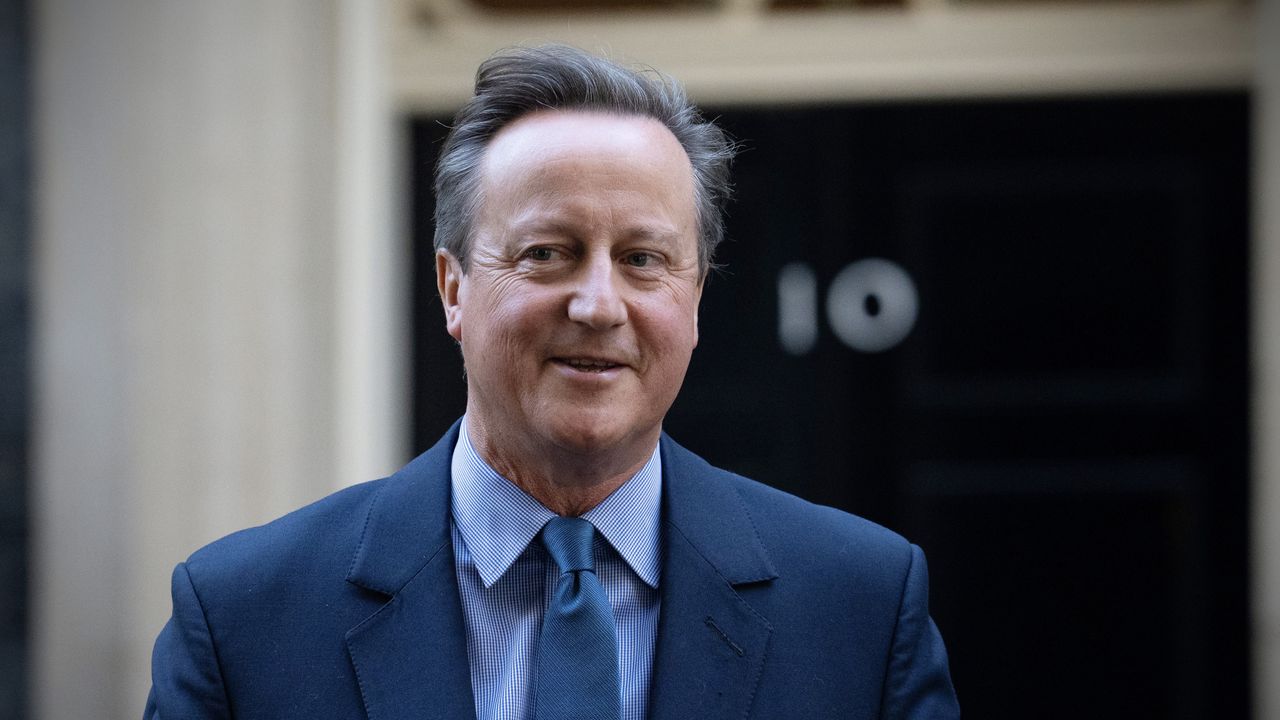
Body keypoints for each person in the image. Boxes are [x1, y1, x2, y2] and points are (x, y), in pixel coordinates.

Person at [144, 45, 959, 720]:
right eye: (548, 252)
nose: (600, 305)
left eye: (644, 260)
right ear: (453, 288)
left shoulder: (861, 606)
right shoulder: (244, 619)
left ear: (697, 297)